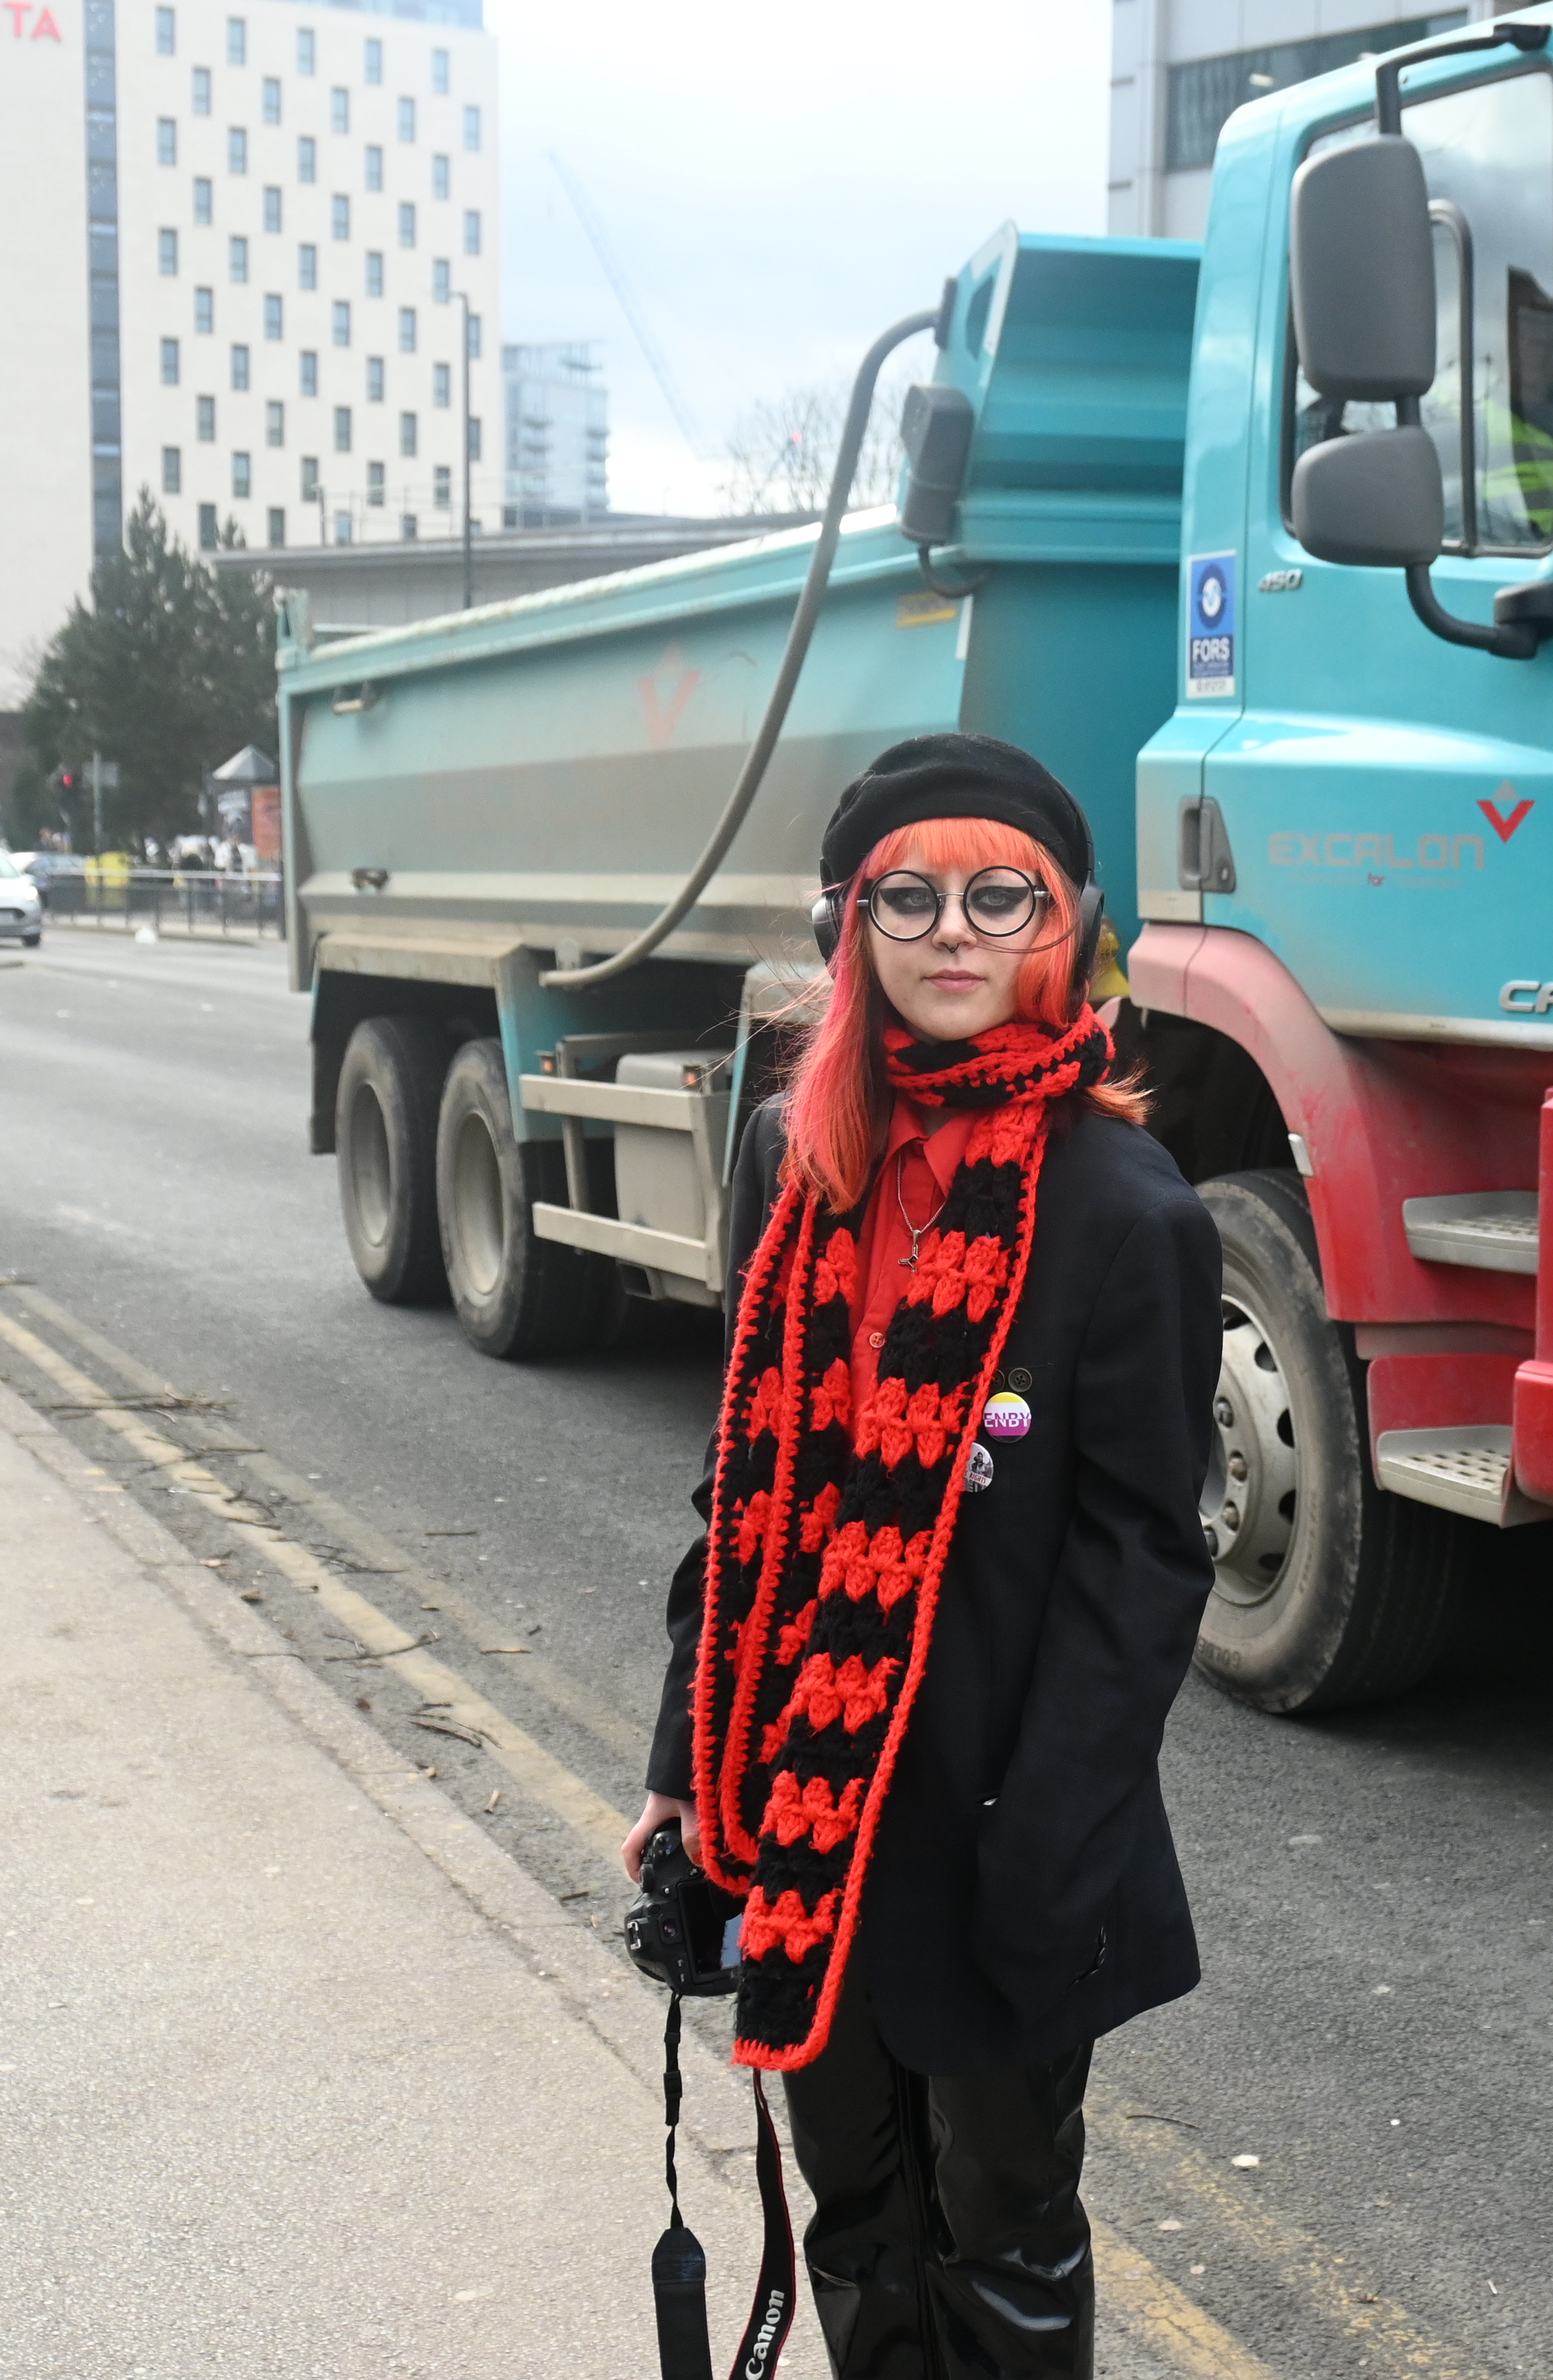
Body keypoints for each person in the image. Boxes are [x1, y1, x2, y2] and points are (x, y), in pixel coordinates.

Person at [625, 733, 1223, 2379]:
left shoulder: (1128, 1210)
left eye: (996, 894)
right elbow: (739, 1487)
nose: (951, 931)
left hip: (1006, 1823)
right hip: (809, 1810)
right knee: (854, 2210)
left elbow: (1140, 1574)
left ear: (1064, 921)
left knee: (1005, 2227)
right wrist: (689, 1765)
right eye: (909, 894)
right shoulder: (793, 1165)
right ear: (852, 924)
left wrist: (1042, 1850)